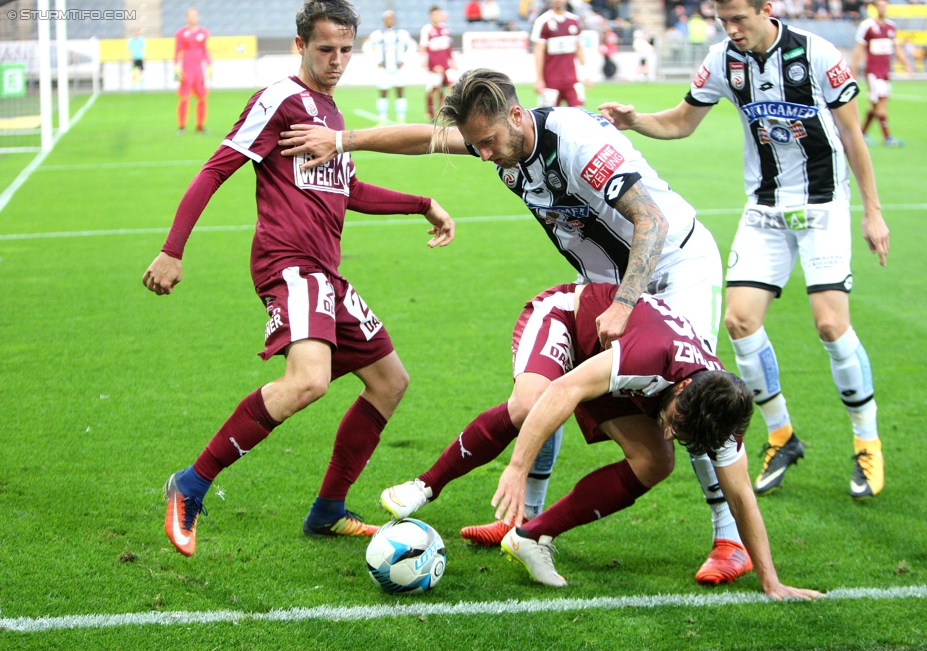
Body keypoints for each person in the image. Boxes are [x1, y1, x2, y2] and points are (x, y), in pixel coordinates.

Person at [277, 68, 756, 586]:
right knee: (543, 388)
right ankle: (521, 520)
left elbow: (652, 221)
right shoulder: (498, 137)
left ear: (516, 115)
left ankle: (728, 536)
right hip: (606, 279)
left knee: (692, 393)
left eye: (488, 143)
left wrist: (624, 301)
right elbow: (426, 138)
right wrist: (343, 141)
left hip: (673, 266)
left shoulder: (575, 142)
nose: (483, 155)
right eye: (476, 144)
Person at [142, 0, 455, 558]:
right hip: (289, 262)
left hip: (325, 273)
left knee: (390, 382)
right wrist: (172, 250)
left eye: (344, 50)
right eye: (324, 49)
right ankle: (189, 485)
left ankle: (328, 511)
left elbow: (349, 191)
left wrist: (422, 203)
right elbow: (217, 168)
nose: (336, 61)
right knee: (308, 381)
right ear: (300, 45)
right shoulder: (281, 99)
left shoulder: (331, 116)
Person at [599, 0, 890, 501]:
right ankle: (782, 435)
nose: (732, 30)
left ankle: (867, 441)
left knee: (829, 324)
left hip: (822, 207)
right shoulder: (721, 61)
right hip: (764, 211)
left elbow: (850, 134)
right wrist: (635, 119)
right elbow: (682, 122)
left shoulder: (817, 54)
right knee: (739, 322)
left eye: (740, 19)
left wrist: (873, 210)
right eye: (723, 21)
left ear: (766, 9)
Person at [388, 280, 821, 600]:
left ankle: (532, 537)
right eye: (673, 422)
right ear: (685, 390)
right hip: (568, 321)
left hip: (614, 371)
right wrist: (517, 468)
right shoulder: (652, 354)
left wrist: (771, 581)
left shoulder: (723, 415)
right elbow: (564, 390)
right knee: (529, 403)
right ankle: (423, 486)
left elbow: (742, 496)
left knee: (657, 461)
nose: (669, 431)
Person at [852, 0, 913, 147]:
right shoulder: (867, 26)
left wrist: (907, 65)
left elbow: (897, 47)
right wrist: (854, 69)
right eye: (880, 5)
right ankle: (888, 138)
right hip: (873, 71)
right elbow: (859, 48)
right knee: (881, 103)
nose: (883, 8)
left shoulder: (891, 26)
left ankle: (862, 134)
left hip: (886, 71)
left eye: (885, 5)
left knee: (875, 105)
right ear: (875, 8)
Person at [363, 10, 417, 124]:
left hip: (398, 69)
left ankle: (401, 118)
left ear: (394, 20)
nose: (389, 20)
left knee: (400, 92)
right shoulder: (377, 34)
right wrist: (376, 60)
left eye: (391, 18)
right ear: (383, 20)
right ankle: (382, 118)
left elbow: (413, 45)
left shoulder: (401, 33)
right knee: (383, 93)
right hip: (384, 69)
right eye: (387, 18)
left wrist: (404, 59)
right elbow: (366, 46)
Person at [532, 0, 587, 107]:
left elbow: (579, 49)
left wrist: (586, 73)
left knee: (578, 114)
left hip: (572, 80)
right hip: (551, 81)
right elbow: (539, 53)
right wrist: (539, 79)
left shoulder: (574, 20)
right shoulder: (543, 21)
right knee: (548, 117)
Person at [173, 8, 212, 134]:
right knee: (184, 97)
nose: (193, 18)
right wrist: (176, 67)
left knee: (202, 97)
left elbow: (205, 50)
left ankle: (200, 126)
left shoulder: (203, 32)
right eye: (190, 16)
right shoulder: (180, 33)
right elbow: (177, 51)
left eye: (195, 15)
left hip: (198, 69)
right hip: (186, 68)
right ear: (186, 18)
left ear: (197, 17)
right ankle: (182, 127)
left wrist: (209, 64)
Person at [419, 6, 456, 120]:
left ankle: (443, 111)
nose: (436, 16)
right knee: (433, 88)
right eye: (434, 14)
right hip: (434, 65)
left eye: (438, 14)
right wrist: (427, 63)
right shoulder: (427, 29)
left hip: (445, 64)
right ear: (430, 16)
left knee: (449, 86)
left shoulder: (445, 29)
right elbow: (424, 48)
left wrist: (453, 61)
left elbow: (449, 47)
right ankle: (430, 111)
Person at [127, 28, 146, 92]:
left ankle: (141, 87)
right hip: (134, 58)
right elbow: (129, 49)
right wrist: (130, 57)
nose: (136, 33)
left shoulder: (141, 40)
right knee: (134, 73)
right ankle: (133, 87)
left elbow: (143, 48)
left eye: (137, 32)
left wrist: (145, 56)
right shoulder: (130, 40)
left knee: (141, 72)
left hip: (140, 57)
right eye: (134, 32)